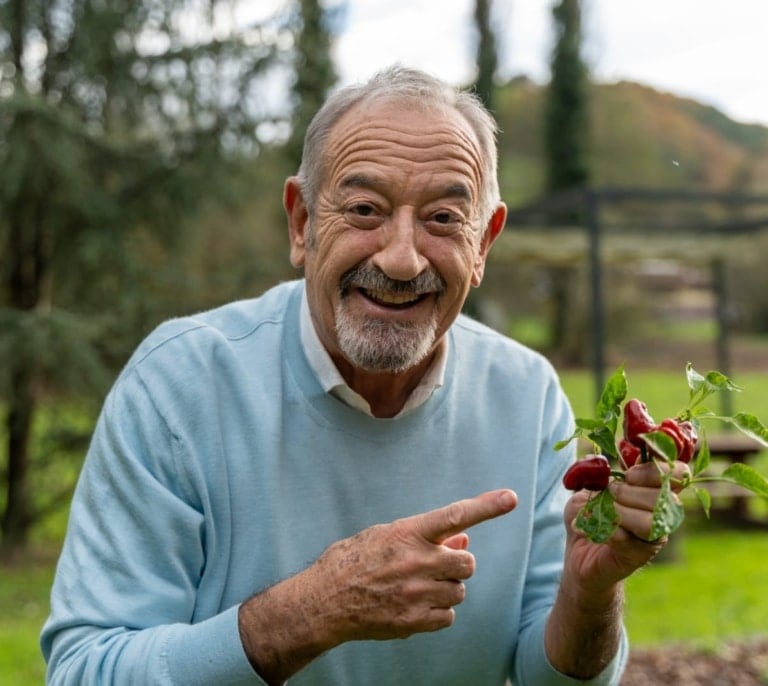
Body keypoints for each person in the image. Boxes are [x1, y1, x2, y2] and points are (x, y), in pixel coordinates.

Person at [41, 65, 686, 685]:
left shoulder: (527, 395)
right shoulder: (179, 385)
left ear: (484, 244)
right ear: (301, 223)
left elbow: (554, 679)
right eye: (364, 209)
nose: (402, 260)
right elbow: (85, 670)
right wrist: (313, 609)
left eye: (442, 219)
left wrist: (590, 594)